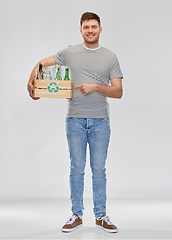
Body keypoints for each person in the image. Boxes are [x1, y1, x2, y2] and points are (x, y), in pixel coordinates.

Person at [28, 12, 123, 233]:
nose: (90, 30)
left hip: (101, 122)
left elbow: (118, 91)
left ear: (100, 29)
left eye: (94, 26)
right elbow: (41, 63)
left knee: (99, 170)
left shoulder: (110, 57)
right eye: (86, 27)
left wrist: (96, 87)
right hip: (75, 120)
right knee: (76, 168)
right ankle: (76, 215)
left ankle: (101, 216)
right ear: (81, 30)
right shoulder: (69, 53)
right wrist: (30, 81)